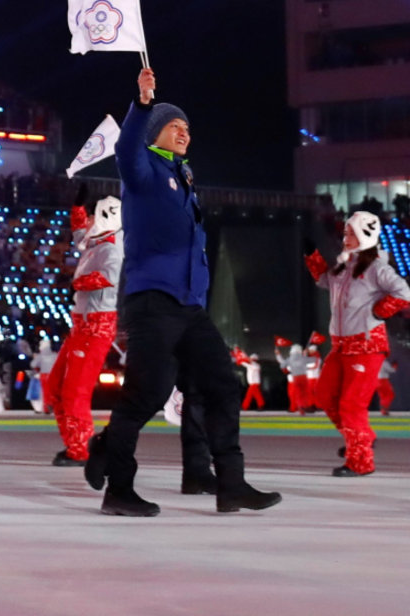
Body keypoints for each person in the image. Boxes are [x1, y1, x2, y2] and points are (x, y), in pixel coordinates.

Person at [85, 67, 279, 517]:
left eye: (188, 128)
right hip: (152, 303)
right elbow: (125, 149)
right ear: (156, 132)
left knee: (224, 387)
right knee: (145, 396)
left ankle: (231, 485)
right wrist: (144, 103)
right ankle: (119, 489)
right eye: (176, 126)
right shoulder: (143, 172)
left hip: (189, 306)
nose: (185, 133)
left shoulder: (183, 178)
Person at [305, 211, 410, 477]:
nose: (345, 236)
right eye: (346, 231)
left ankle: (361, 461)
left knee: (351, 405)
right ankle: (361, 438)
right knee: (324, 395)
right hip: (341, 346)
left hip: (366, 346)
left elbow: (403, 292)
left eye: (351, 232)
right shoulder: (344, 266)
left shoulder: (377, 268)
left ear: (366, 235)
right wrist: (312, 256)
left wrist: (379, 312)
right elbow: (322, 281)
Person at [47, 194, 122, 463]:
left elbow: (109, 277)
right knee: (55, 387)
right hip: (81, 325)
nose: (87, 222)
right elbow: (80, 234)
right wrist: (77, 208)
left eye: (91, 217)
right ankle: (73, 444)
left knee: (74, 392)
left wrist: (75, 284)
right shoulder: (94, 242)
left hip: (96, 327)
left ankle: (81, 450)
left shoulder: (111, 248)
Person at [28, 335, 58, 414]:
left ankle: (46, 408)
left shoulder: (40, 356)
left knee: (45, 392)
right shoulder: (55, 355)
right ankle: (53, 406)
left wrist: (36, 358)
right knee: (54, 392)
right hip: (54, 376)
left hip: (45, 376)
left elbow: (33, 365)